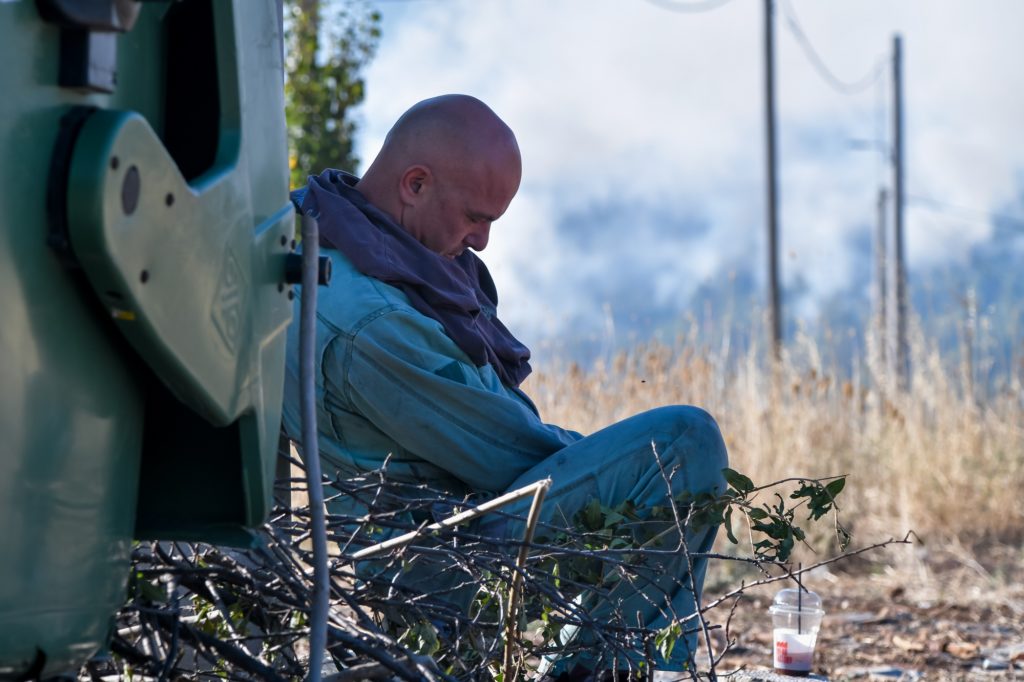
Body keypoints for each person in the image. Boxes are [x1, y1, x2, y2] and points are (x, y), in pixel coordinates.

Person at [282, 94, 728, 679]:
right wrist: (615, 459)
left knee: (655, 457)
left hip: (451, 531)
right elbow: (511, 459)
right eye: (476, 217)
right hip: (435, 566)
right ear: (415, 184)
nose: (483, 241)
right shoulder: (372, 324)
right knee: (680, 445)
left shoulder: (351, 243)